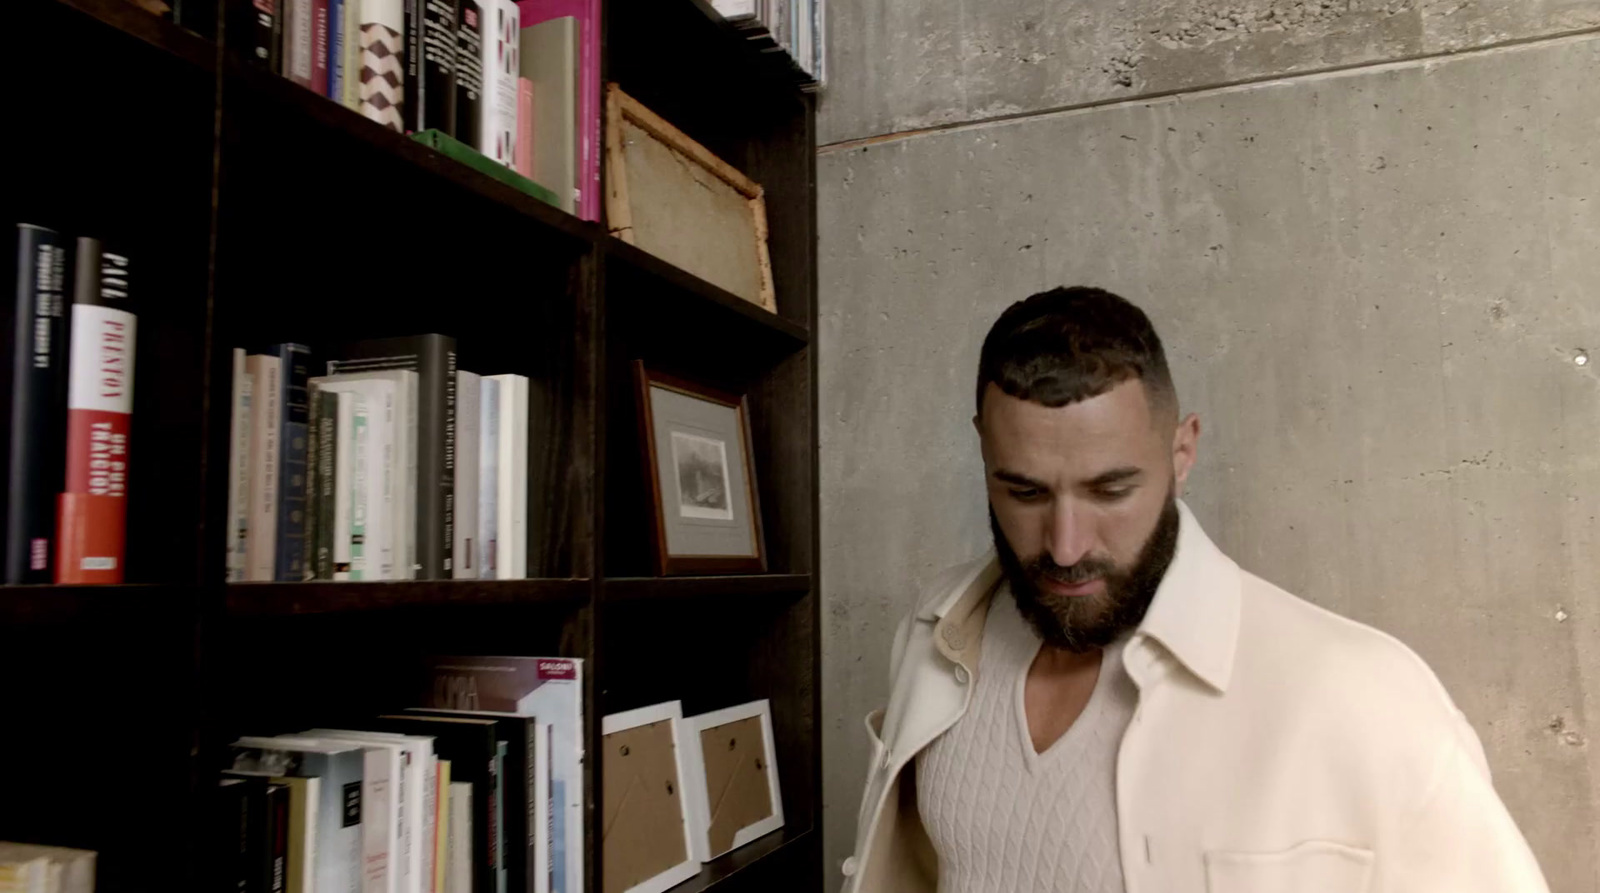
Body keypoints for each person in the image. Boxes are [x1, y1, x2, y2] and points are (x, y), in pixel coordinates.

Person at [841, 287, 1549, 893]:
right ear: (983, 452)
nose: (1065, 544)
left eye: (1110, 488)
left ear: (1183, 452)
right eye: (1023, 490)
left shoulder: (1360, 691)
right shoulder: (934, 634)